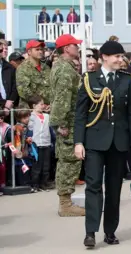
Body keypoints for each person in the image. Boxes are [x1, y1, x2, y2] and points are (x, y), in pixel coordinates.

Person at [74, 41, 131, 248]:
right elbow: (81, 114)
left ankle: (110, 231)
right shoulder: (89, 79)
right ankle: (90, 232)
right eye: (116, 56)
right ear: (104, 56)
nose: (120, 60)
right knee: (93, 186)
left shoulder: (126, 80)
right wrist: (79, 142)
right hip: (94, 141)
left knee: (114, 189)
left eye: (121, 56)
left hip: (119, 143)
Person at [50, 34, 85, 217]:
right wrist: (61, 123)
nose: (77, 48)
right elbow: (62, 98)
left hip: (70, 121)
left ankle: (66, 202)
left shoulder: (65, 68)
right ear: (66, 49)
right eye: (74, 45)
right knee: (68, 162)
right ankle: (65, 204)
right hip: (69, 123)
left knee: (69, 161)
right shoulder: (64, 70)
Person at [27, 95, 53, 192]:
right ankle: (35, 185)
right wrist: (29, 138)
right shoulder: (31, 116)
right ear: (34, 106)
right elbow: (29, 129)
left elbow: (51, 129)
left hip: (46, 144)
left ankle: (44, 184)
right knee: (36, 166)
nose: (43, 106)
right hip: (36, 144)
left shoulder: (47, 116)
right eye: (41, 104)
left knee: (46, 166)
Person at [16, 40, 51, 109]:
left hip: (47, 108)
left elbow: (51, 86)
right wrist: (40, 104)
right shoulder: (23, 68)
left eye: (41, 49)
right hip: (30, 110)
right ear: (29, 52)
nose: (40, 52)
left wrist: (50, 103)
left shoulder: (46, 67)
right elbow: (23, 91)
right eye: (37, 49)